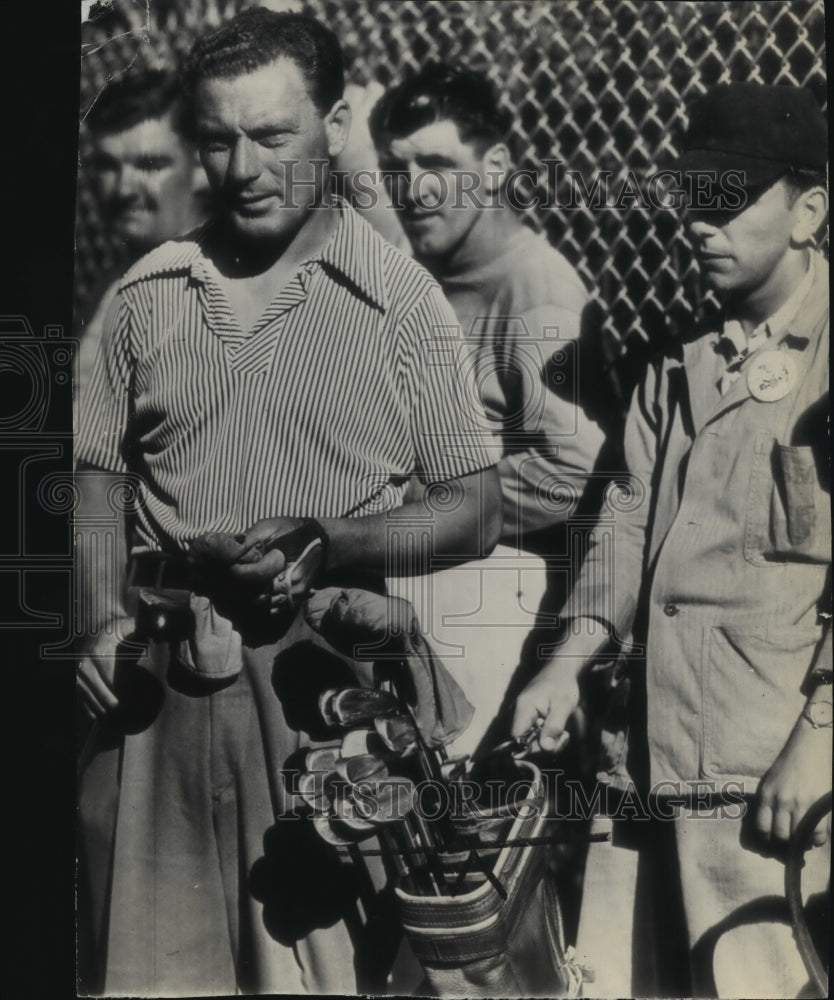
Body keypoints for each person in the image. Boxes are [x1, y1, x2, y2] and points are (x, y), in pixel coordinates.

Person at [75, 8, 501, 997]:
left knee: (321, 975)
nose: (245, 166)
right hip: (163, 690)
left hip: (328, 696)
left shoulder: (401, 301)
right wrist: (97, 613)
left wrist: (333, 535)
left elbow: (474, 504)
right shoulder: (148, 294)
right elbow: (95, 468)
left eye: (274, 136)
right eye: (218, 140)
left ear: (337, 122)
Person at [512, 82, 830, 997]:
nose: (699, 223)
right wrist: (565, 661)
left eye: (728, 199)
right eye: (692, 198)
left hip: (774, 776)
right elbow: (622, 526)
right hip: (646, 765)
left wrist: (821, 737)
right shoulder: (675, 369)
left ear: (809, 210)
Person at [369, 63, 606, 755]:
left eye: (439, 163)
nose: (415, 190)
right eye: (396, 167)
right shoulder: (419, 275)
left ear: (496, 165)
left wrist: (419, 500)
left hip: (499, 603)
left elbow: (574, 473)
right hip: (417, 591)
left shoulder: (535, 283)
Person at [77, 68, 212, 405]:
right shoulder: (118, 279)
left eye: (149, 165)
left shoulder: (214, 290)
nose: (123, 189)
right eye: (108, 166)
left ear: (202, 168)